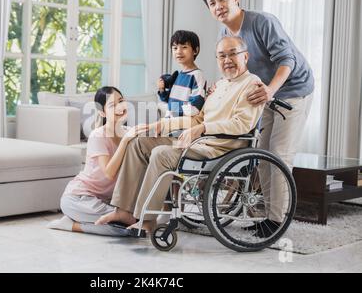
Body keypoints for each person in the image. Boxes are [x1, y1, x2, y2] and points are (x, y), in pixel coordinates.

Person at [96, 36, 264, 233]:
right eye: (221, 56)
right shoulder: (221, 85)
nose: (227, 60)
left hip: (220, 147)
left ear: (245, 56)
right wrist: (162, 125)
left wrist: (202, 129)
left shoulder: (252, 84)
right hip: (200, 141)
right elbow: (197, 119)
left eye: (232, 54)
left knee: (161, 153)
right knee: (138, 142)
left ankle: (148, 219)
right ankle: (123, 210)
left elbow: (242, 124)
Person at [203, 0, 314, 234]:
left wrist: (271, 90)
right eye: (212, 3)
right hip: (261, 93)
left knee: (279, 154)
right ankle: (266, 214)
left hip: (293, 90)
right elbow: (234, 70)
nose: (218, 6)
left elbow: (288, 60)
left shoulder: (263, 22)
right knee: (261, 154)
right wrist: (221, 86)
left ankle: (277, 221)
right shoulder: (224, 34)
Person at [47, 86, 147, 236]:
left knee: (135, 225)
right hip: (79, 199)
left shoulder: (129, 132)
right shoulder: (98, 136)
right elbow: (109, 173)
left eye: (121, 101)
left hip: (107, 201)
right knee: (128, 227)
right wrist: (126, 141)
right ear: (102, 112)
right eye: (113, 105)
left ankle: (89, 221)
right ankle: (70, 225)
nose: (120, 107)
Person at [157, 30, 207, 118]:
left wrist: (173, 112)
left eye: (184, 47)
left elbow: (194, 107)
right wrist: (162, 90)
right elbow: (170, 101)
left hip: (182, 126)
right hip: (170, 123)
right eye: (175, 48)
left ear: (195, 50)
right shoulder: (179, 75)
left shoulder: (197, 75)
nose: (179, 52)